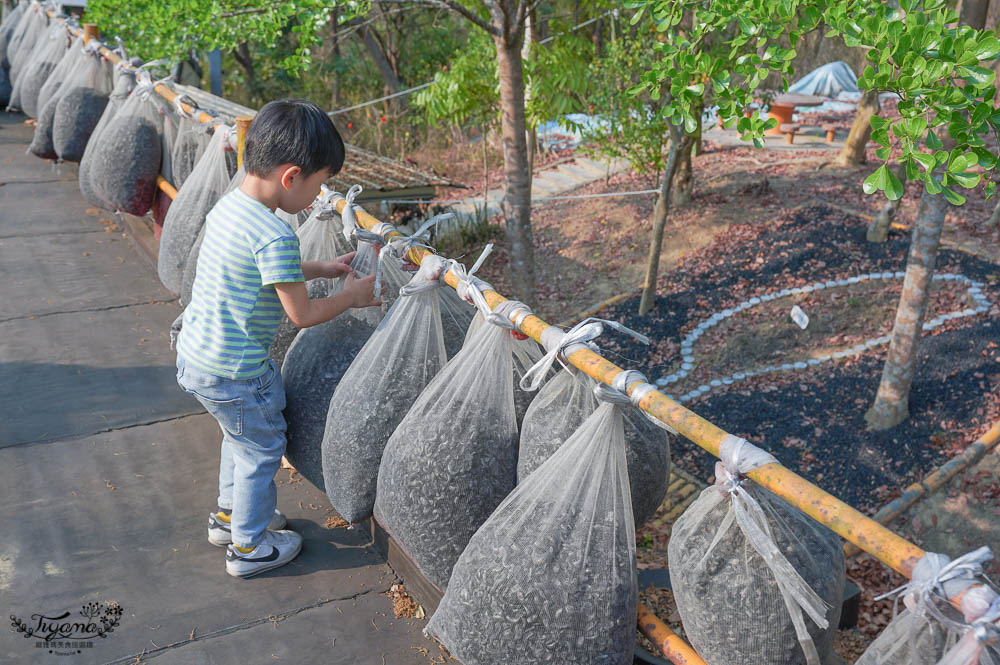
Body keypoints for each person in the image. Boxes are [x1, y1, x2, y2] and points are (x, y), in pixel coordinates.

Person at [174, 99, 381, 578]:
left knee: (238, 437)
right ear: (291, 177)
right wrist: (350, 297)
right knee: (261, 449)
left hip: (198, 357)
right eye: (317, 185)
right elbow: (303, 314)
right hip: (236, 373)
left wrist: (324, 267)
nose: (317, 197)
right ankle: (248, 548)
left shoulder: (232, 207)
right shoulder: (275, 233)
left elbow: (266, 271)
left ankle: (231, 516)